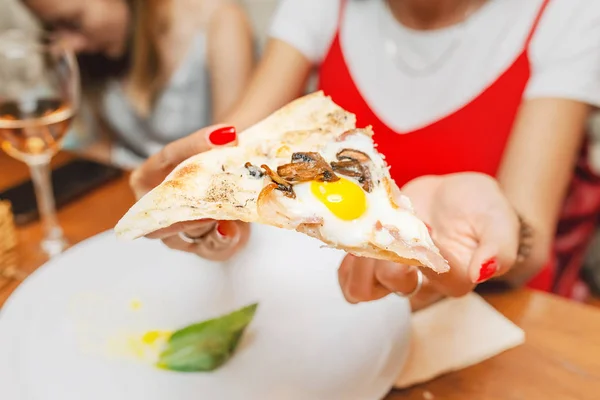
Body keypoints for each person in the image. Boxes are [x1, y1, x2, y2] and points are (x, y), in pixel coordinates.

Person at [131, 0, 600, 308]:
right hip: (336, 299)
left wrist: (497, 235)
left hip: (491, 310)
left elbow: (532, 245)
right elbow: (234, 150)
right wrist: (202, 201)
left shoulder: (567, 14)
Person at [23, 0, 254, 168]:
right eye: (52, 27)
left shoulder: (221, 21)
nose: (69, 45)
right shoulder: (94, 58)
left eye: (74, 22)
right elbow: (107, 148)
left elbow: (229, 160)